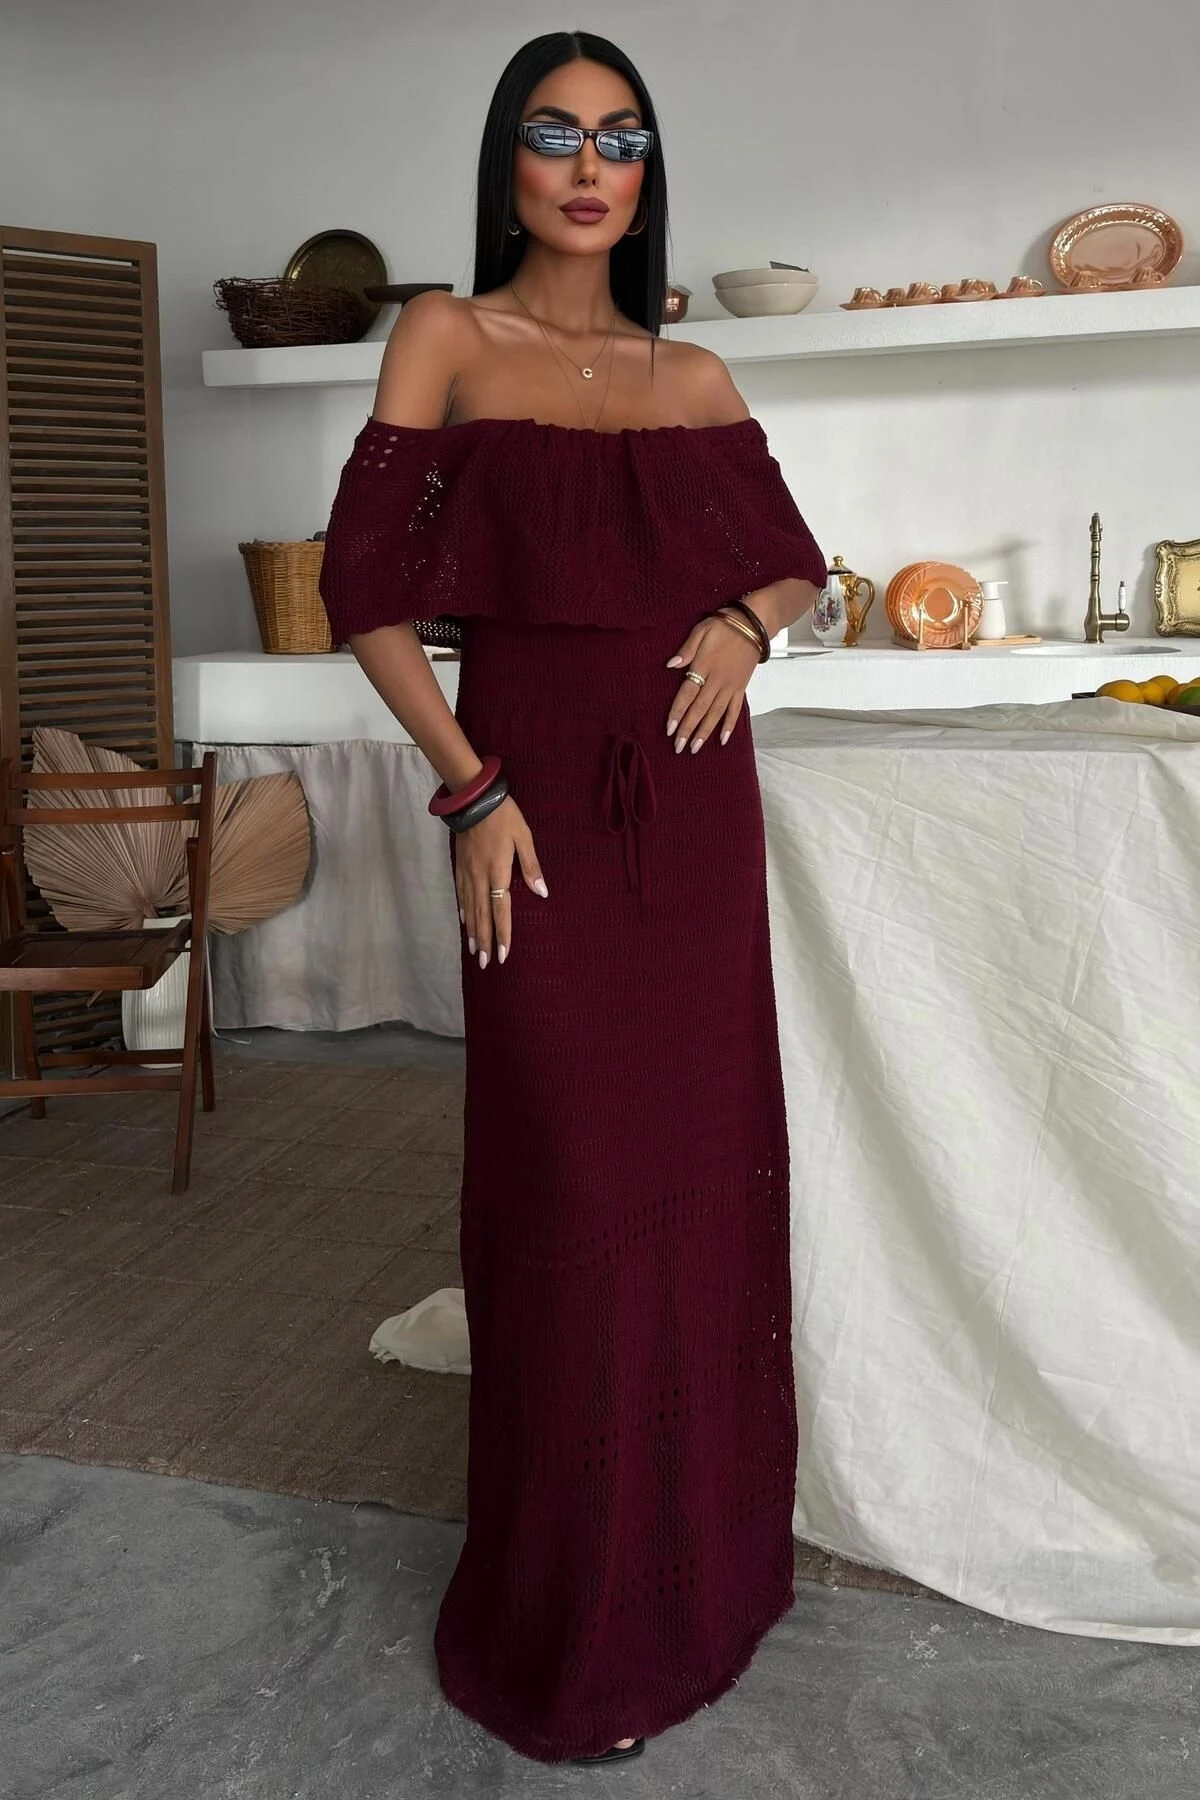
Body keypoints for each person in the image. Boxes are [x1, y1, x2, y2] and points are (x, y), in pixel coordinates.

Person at [318, 28, 826, 1768]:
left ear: (647, 169)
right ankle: (569, 1613)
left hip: (693, 826)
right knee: (566, 1188)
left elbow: (794, 559)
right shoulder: (448, 336)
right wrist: (469, 784)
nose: (590, 165)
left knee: (697, 1188)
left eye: (620, 137)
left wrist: (744, 622)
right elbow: (363, 589)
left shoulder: (692, 374)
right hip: (526, 816)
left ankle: (707, 1576)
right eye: (555, 133)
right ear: (510, 161)